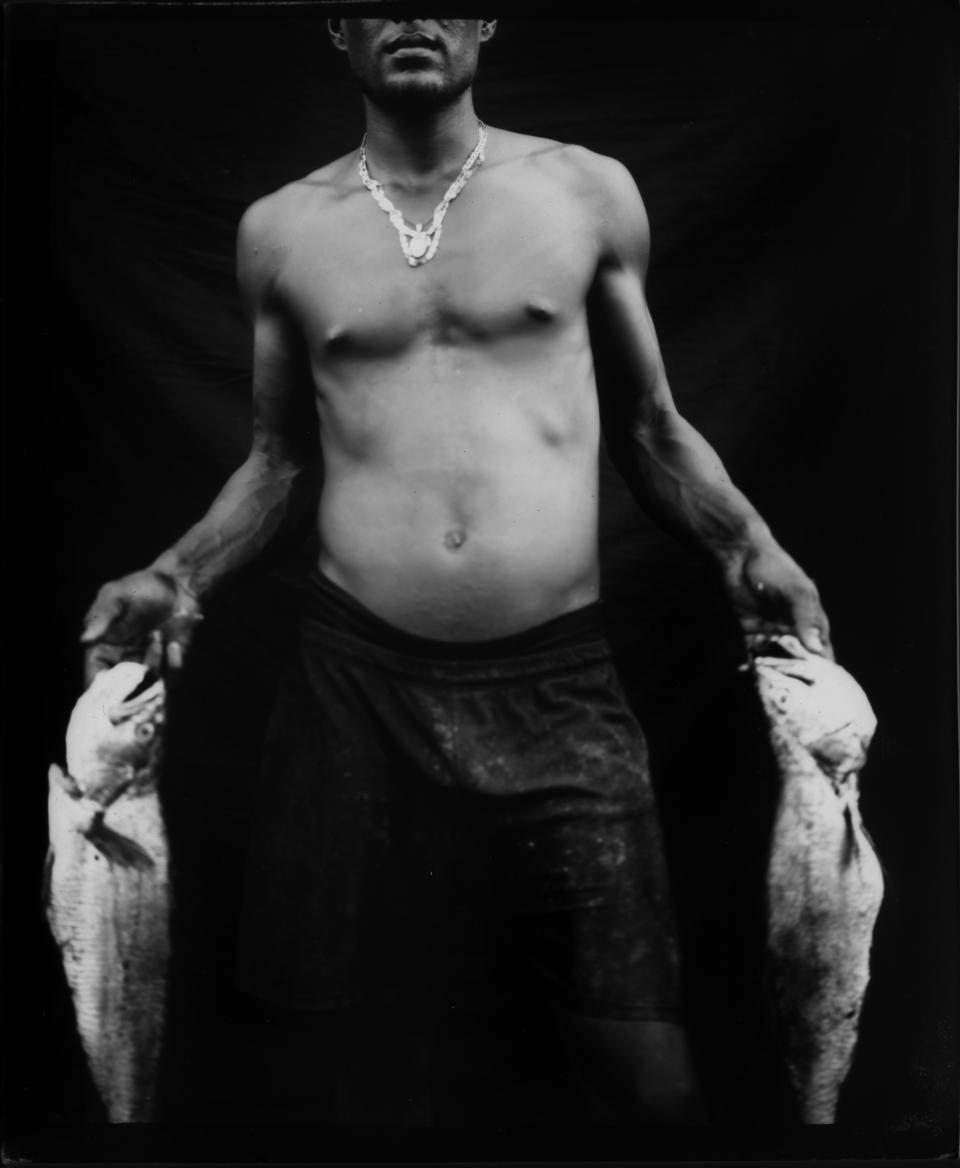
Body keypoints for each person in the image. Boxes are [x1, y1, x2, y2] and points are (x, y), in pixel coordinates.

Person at [81, 17, 832, 1127]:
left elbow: (653, 428)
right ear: (338, 27)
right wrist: (174, 573)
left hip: (558, 688)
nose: (416, 14)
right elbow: (280, 461)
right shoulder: (280, 231)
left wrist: (747, 543)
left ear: (487, 19)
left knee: (651, 1082)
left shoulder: (585, 193)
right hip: (354, 689)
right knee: (361, 1081)